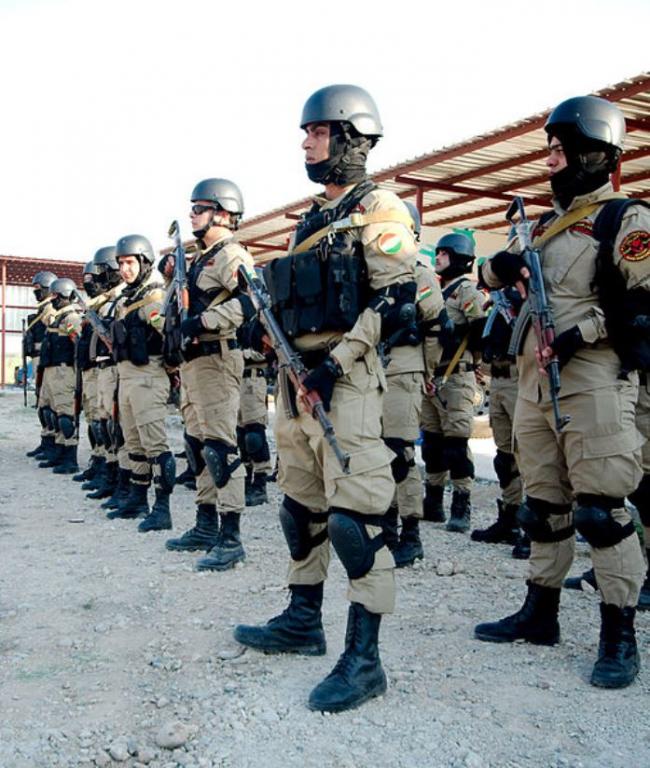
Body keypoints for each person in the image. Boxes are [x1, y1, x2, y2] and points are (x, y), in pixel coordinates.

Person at [233, 84, 418, 713]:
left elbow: (395, 301)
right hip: (295, 384)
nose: (306, 142)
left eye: (316, 131)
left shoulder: (383, 210)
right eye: (307, 132)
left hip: (347, 383)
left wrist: (335, 366)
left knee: (355, 523)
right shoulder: (311, 220)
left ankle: (364, 661)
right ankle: (301, 619)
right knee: (300, 510)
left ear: (348, 137)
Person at [475, 95, 650, 689]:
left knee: (602, 511)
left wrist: (585, 331)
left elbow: (644, 306)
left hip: (593, 380)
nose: (549, 159)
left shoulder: (625, 219)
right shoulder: (545, 227)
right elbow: (487, 282)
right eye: (547, 148)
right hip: (533, 383)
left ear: (593, 153)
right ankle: (540, 613)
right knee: (542, 506)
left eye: (559, 149)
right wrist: (500, 265)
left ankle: (619, 636)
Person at [162, 178, 255, 569]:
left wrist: (203, 321)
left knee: (220, 448)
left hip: (217, 358)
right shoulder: (198, 258)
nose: (192, 215)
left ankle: (231, 535)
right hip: (193, 363)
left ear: (222, 213)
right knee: (198, 446)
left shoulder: (232, 256)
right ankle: (205, 522)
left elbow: (251, 302)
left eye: (198, 208)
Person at [383, 201, 445, 566]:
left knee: (401, 454)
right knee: (378, 455)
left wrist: (428, 371)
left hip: (404, 370)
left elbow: (436, 325)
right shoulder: (374, 271)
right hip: (374, 371)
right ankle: (385, 527)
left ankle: (411, 533)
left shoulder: (419, 274)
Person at [420, 232, 485, 531]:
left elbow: (480, 330)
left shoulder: (466, 292)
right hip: (433, 377)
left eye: (444, 253)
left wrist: (455, 336)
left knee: (456, 446)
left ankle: (462, 503)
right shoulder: (436, 290)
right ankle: (433, 502)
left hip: (457, 377)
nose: (439, 258)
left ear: (459, 258)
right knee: (432, 445)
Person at [110, 235, 174, 532]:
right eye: (121, 263)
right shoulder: (127, 299)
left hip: (148, 375)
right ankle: (138, 498)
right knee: (133, 443)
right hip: (126, 377)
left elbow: (171, 337)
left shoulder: (154, 296)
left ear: (144, 262)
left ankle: (162, 508)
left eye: (130, 263)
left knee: (154, 445)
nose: (125, 269)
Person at [470, 285, 527, 555]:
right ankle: (509, 518)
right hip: (499, 379)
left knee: (527, 454)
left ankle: (533, 524)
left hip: (520, 377)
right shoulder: (499, 299)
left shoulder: (523, 292)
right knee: (505, 457)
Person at [37, 278, 83, 474]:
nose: (53, 300)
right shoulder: (58, 317)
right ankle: (58, 450)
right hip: (51, 369)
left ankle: (69, 458)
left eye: (57, 296)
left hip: (64, 371)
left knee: (66, 415)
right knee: (52, 414)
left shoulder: (71, 318)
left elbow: (77, 344)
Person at [72, 260, 104, 484]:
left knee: (105, 423)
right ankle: (98, 461)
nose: (88, 283)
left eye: (92, 278)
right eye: (86, 280)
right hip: (88, 370)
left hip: (101, 369)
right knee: (92, 419)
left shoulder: (110, 303)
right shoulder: (92, 306)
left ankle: (107, 469)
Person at [24, 270, 58, 459]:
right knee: (42, 403)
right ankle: (46, 440)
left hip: (46, 361)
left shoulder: (49, 310)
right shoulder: (42, 309)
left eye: (39, 289)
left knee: (49, 404)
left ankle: (53, 443)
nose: (36, 292)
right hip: (38, 359)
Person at [237, 346, 273, 507]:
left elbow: (268, 351)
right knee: (240, 436)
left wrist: (239, 353)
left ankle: (260, 484)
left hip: (253, 379)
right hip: (235, 378)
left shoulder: (258, 323)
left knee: (254, 436)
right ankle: (245, 480)